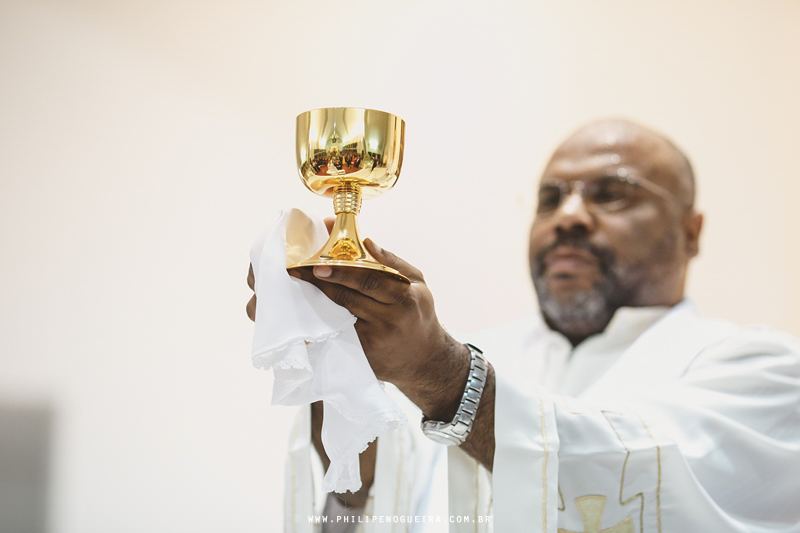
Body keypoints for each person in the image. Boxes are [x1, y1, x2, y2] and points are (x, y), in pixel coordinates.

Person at [248, 118, 800, 532]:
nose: (569, 216)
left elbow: (653, 485)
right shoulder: (483, 353)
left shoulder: (765, 371)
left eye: (610, 193)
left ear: (691, 230)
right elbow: (358, 515)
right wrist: (346, 413)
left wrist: (443, 376)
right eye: (550, 198)